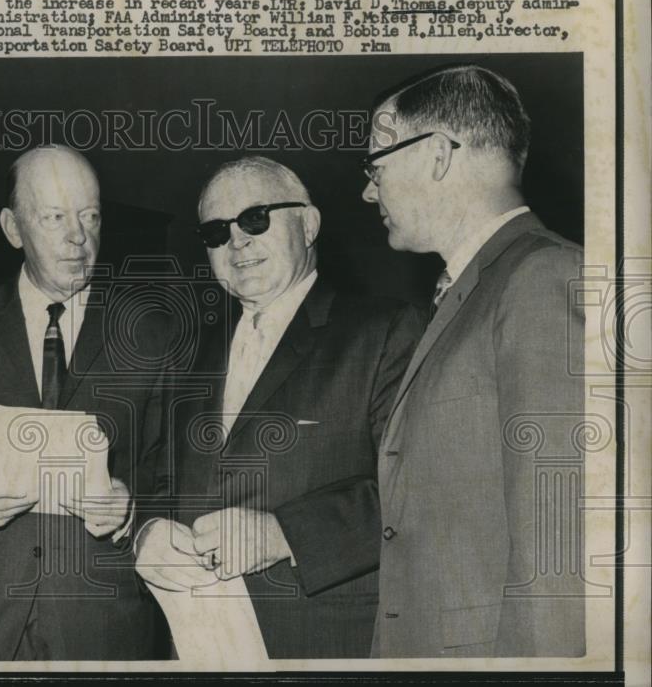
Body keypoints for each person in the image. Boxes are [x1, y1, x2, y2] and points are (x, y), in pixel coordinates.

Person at [134, 156, 423, 658]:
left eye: (255, 219)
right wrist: (147, 532)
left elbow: (422, 490)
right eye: (216, 231)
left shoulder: (384, 331)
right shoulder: (188, 354)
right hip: (198, 643)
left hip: (326, 644)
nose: (237, 241)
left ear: (308, 224)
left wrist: (284, 533)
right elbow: (159, 479)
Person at [0, 144, 172, 660]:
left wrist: (131, 506)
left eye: (91, 216)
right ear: (12, 227)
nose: (78, 237)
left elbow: (174, 470)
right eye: (54, 217)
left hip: (100, 619)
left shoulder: (151, 334)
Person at [361, 64, 586, 657]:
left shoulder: (543, 278)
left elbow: (558, 553)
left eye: (376, 165)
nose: (368, 190)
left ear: (436, 154)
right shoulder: (471, 291)